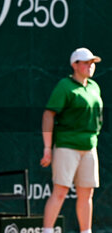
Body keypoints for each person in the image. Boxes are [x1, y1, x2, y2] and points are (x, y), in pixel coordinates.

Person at [40, 48, 103, 233]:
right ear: (74, 65)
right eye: (85, 62)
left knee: (87, 194)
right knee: (60, 192)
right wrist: (47, 147)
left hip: (90, 147)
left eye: (92, 63)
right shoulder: (64, 86)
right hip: (67, 146)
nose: (90, 66)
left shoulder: (94, 87)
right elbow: (48, 115)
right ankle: (47, 231)